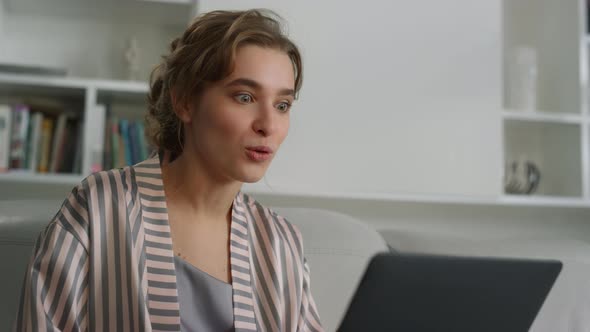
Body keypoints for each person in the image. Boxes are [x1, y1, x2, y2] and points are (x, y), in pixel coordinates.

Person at [15, 9, 323, 332]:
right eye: (244, 97)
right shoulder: (98, 209)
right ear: (185, 101)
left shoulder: (283, 245)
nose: (269, 125)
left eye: (282, 105)